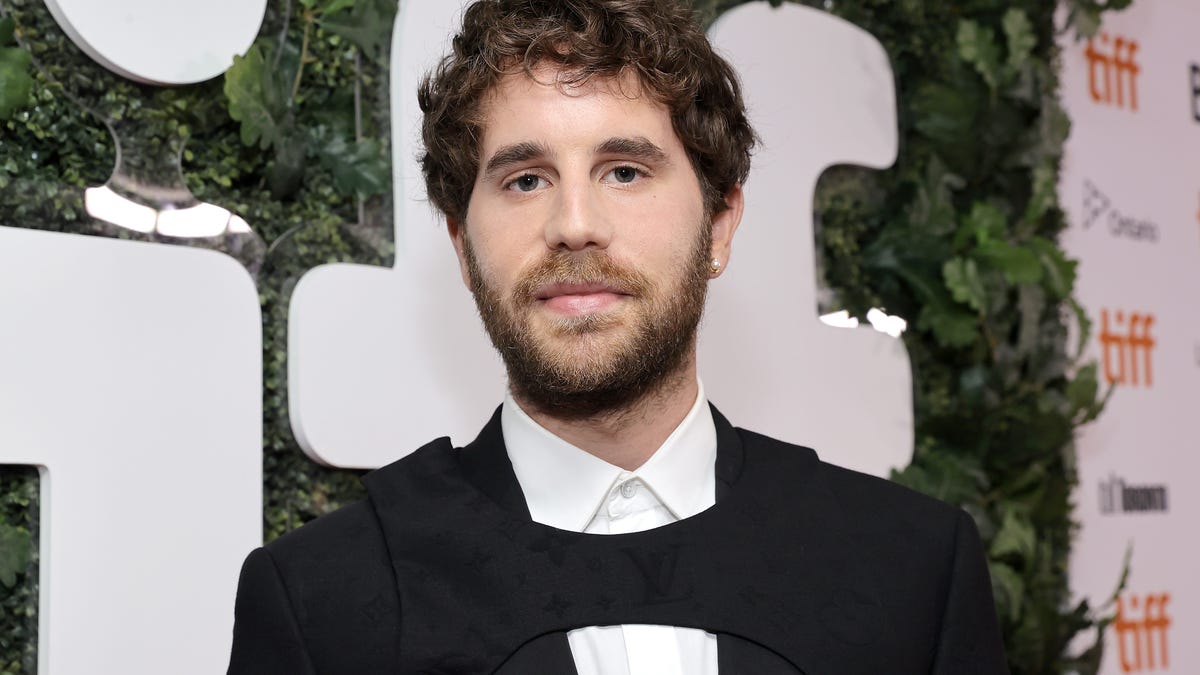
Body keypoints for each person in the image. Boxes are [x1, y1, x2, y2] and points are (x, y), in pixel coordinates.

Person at [227, 0, 1008, 672]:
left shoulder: (908, 570)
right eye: (525, 179)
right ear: (463, 248)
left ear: (720, 225)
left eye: (625, 171)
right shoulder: (324, 604)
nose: (574, 225)